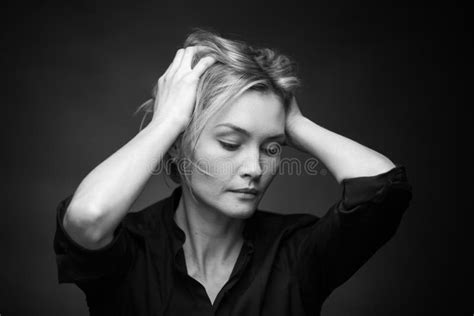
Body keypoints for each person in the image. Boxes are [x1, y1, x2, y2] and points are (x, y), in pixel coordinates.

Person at [53, 28, 413, 316]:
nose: (254, 168)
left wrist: (296, 122)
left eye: (272, 148)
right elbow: (88, 217)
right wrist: (168, 121)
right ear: (178, 145)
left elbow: (383, 187)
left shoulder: (296, 252)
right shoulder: (131, 251)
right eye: (229, 143)